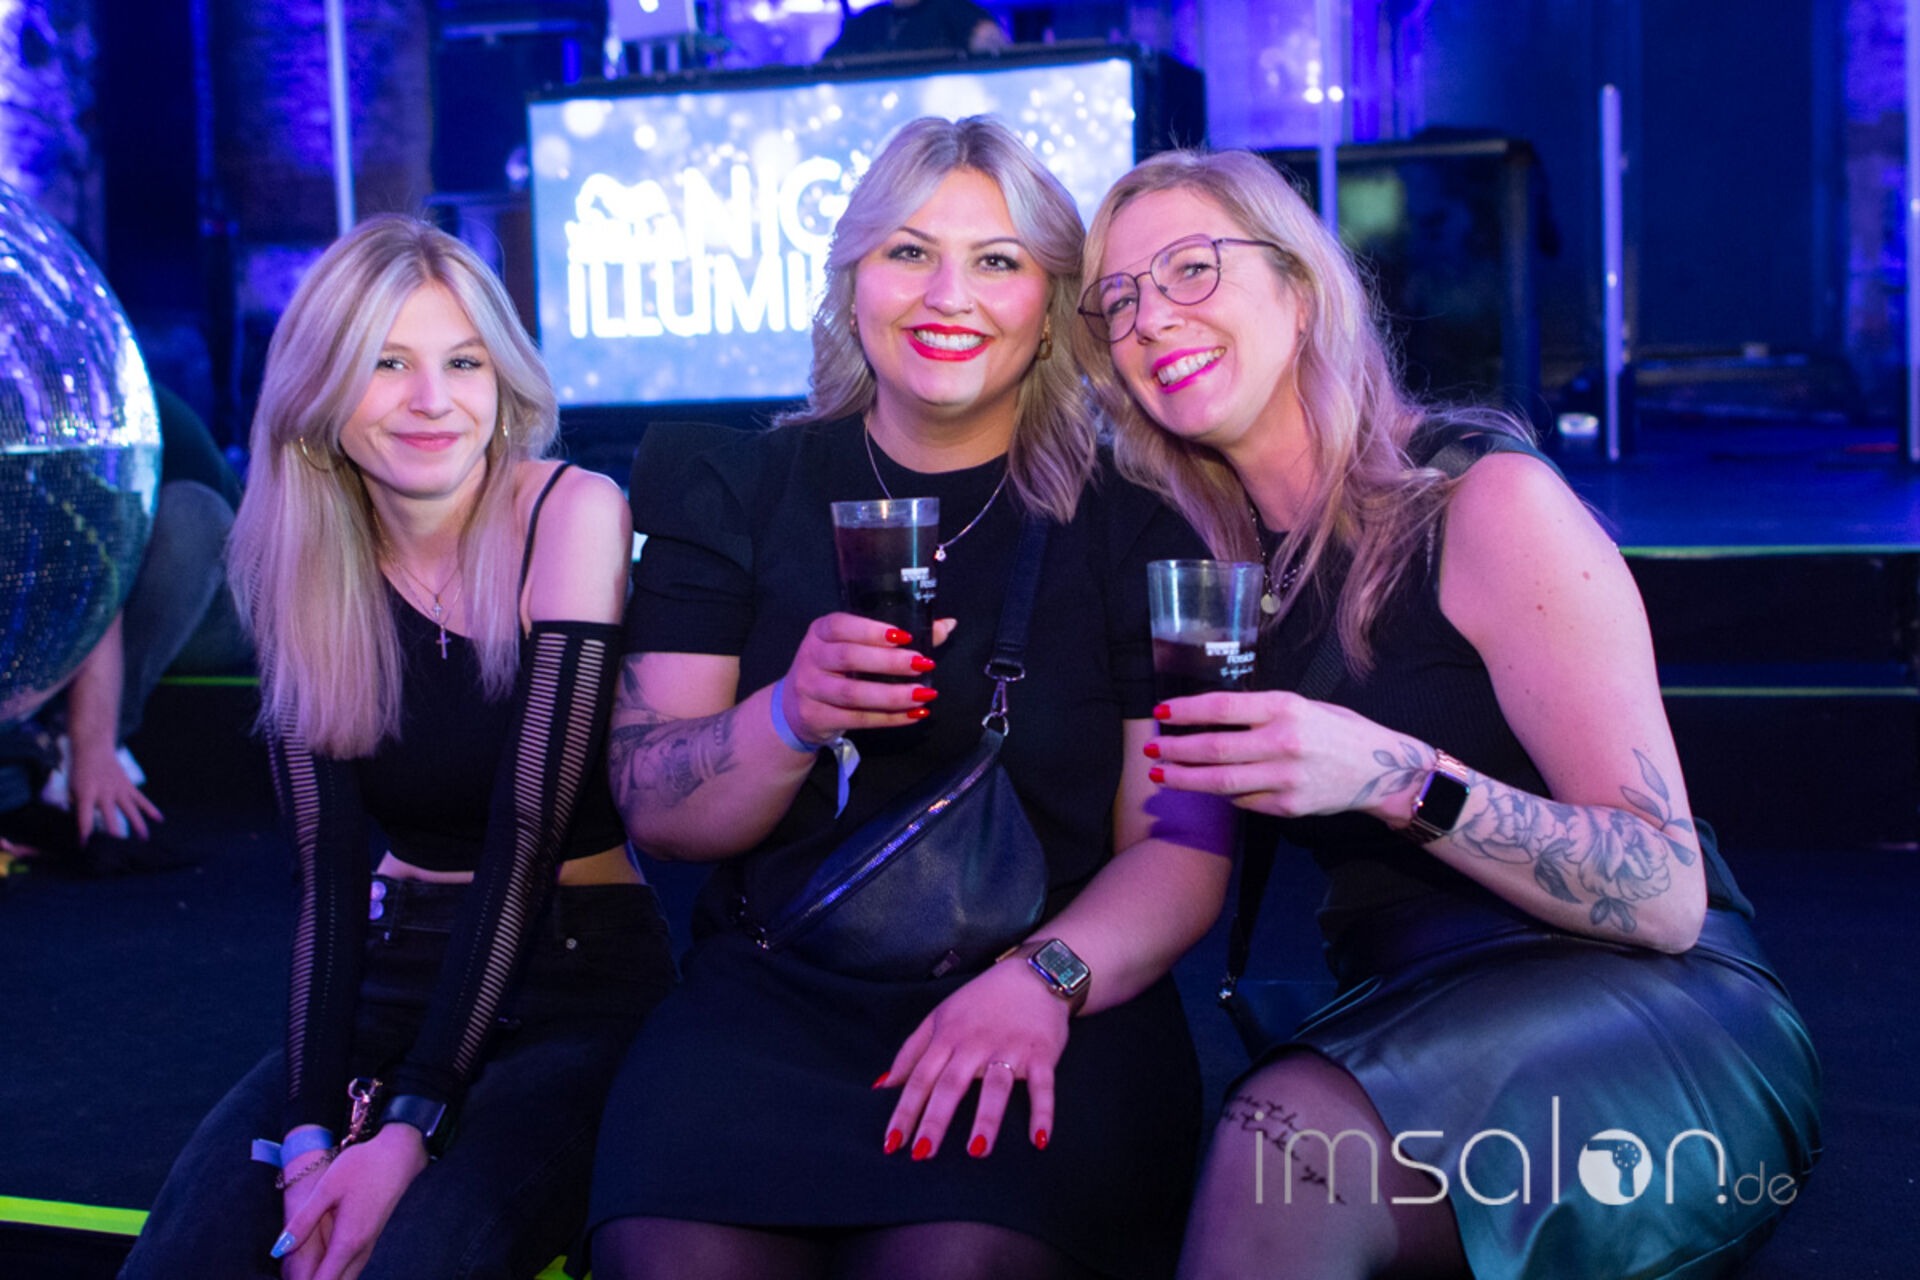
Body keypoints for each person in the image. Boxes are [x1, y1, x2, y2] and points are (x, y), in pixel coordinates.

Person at [1072, 148, 1822, 1280]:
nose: (1151, 316)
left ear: (1301, 289)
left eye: (1191, 268)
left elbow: (1665, 893)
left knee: (1279, 1142)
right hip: (1409, 1006)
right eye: (1119, 298)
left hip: (1652, 1009)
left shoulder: (1483, 502)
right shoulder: (1215, 565)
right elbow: (1169, 843)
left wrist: (1392, 776)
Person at [588, 116, 1233, 1280]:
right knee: (669, 1258)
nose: (950, 295)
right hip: (774, 997)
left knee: (952, 1263)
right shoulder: (731, 486)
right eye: (908, 252)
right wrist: (789, 713)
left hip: (1053, 994)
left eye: (997, 260)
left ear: (1053, 304)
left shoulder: (1145, 525)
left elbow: (1185, 845)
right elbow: (658, 805)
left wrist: (1044, 978)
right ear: (852, 280)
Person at [120, 215, 674, 1280]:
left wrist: (412, 1124)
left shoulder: (570, 511)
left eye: (463, 362)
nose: (432, 399)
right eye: (387, 363)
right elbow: (325, 874)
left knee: (411, 1257)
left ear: (503, 379)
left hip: (576, 970)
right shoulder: (299, 551)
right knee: (189, 1255)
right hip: (391, 967)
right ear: (322, 388)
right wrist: (309, 1137)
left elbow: (526, 835)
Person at [0, 385, 248, 875]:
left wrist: (92, 744)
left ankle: (65, 746)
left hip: (213, 606)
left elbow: (95, 578)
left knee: (193, 516)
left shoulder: (65, 402)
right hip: (91, 595)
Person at [824, 0, 1009, 58]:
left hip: (940, 122)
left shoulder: (953, 9)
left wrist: (987, 39)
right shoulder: (870, 19)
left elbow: (992, 43)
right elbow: (830, 64)